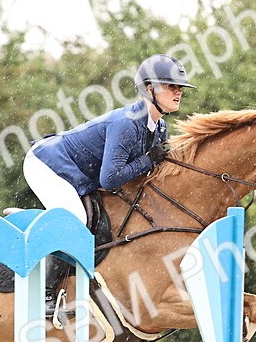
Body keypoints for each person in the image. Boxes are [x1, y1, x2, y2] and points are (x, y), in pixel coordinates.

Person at [23, 54, 195, 322]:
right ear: (150, 89)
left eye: (179, 87)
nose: (178, 92)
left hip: (79, 172)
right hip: (47, 164)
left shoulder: (159, 126)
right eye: (170, 86)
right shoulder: (127, 123)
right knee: (75, 220)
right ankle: (42, 296)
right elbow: (110, 178)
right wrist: (148, 160)